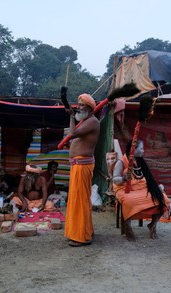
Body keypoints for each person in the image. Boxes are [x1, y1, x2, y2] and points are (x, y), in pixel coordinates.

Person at [113, 139, 170, 241]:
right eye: (141, 148)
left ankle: (153, 224)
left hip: (142, 188)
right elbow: (115, 179)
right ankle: (128, 226)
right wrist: (123, 178)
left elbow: (147, 179)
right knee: (129, 201)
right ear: (133, 149)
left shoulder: (140, 161)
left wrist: (156, 188)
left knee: (163, 198)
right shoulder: (121, 162)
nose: (143, 151)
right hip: (125, 189)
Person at [64, 93, 100, 247]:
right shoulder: (86, 121)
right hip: (78, 165)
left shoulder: (92, 121)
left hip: (82, 166)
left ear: (90, 108)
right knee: (78, 200)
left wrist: (71, 116)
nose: (78, 107)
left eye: (81, 105)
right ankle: (84, 230)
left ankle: (81, 236)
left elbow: (74, 133)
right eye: (78, 105)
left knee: (80, 201)